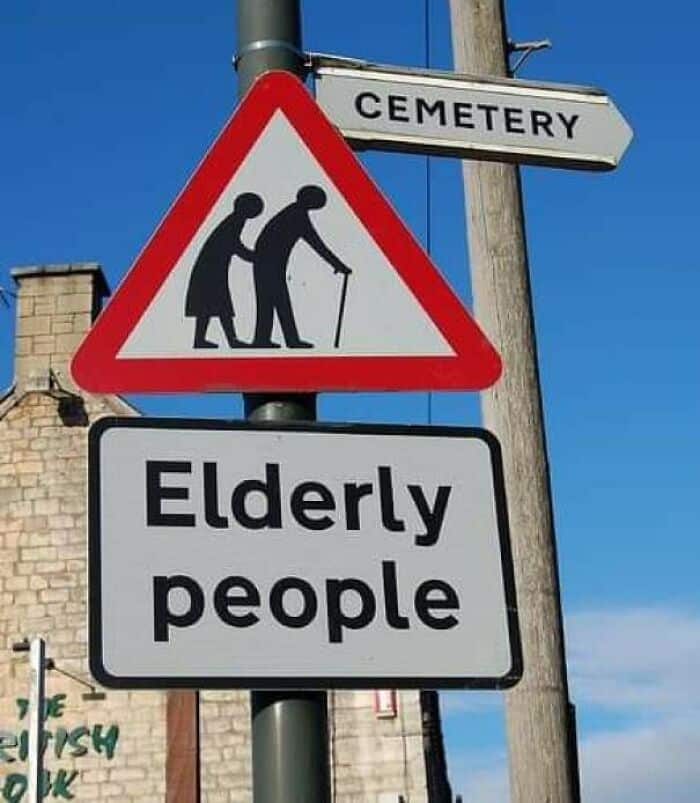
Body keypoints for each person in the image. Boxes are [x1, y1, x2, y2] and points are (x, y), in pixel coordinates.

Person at [250, 185, 352, 348]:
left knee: (270, 302)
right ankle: (286, 340)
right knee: (278, 301)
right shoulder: (297, 216)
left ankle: (264, 339)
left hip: (266, 264)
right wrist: (339, 265)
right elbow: (317, 244)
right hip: (269, 265)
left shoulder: (293, 212)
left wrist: (338, 265)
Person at [185, 192, 263, 348]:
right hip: (211, 270)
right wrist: (256, 258)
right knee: (216, 304)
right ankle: (225, 340)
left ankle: (209, 340)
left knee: (212, 305)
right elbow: (234, 245)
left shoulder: (235, 220)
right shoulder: (235, 221)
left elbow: (233, 245)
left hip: (212, 269)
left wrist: (253, 257)